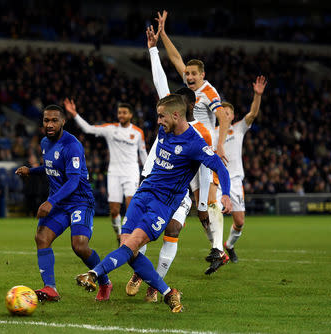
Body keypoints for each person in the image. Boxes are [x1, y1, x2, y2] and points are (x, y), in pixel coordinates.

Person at [76, 95, 232, 312]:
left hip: (162, 204)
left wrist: (225, 195)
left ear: (176, 115)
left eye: (161, 116)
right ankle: (169, 292)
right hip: (143, 194)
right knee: (127, 249)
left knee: (133, 244)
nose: (157, 121)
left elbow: (220, 167)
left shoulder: (195, 143)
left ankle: (93, 274)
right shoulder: (164, 130)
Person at [125, 24, 215, 303]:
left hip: (178, 192)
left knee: (172, 231)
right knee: (141, 236)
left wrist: (202, 204)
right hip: (152, 181)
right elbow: (160, 81)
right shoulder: (170, 121)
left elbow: (204, 168)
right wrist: (153, 49)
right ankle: (142, 273)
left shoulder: (201, 132)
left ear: (186, 107)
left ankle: (155, 285)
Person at [156, 10, 231, 274]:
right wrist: (163, 33)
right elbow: (175, 58)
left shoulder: (209, 91)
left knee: (210, 201)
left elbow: (223, 116)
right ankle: (218, 249)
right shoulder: (189, 91)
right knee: (202, 213)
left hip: (204, 149)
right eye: (186, 73)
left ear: (202, 74)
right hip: (189, 150)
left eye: (193, 74)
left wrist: (220, 145)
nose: (188, 77)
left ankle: (218, 250)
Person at [15, 104, 112, 302]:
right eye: (46, 120)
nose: (49, 124)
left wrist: (50, 201)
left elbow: (74, 180)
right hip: (60, 203)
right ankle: (50, 288)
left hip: (79, 201)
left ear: (63, 122)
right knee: (42, 238)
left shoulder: (72, 145)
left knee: (80, 246)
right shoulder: (44, 142)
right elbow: (51, 166)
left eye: (54, 120)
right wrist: (31, 171)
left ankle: (104, 281)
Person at [64, 99, 148, 244]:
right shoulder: (110, 129)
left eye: (124, 113)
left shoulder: (138, 132)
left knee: (131, 207)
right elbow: (88, 129)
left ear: (130, 115)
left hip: (131, 172)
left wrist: (147, 174)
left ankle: (128, 238)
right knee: (114, 211)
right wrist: (74, 114)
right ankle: (119, 234)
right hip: (114, 173)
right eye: (119, 112)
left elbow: (143, 154)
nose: (121, 115)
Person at [214, 76, 267, 263]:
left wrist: (257, 95)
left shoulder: (238, 129)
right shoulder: (211, 133)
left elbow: (252, 113)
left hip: (235, 181)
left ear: (233, 116)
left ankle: (229, 245)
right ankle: (218, 252)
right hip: (217, 181)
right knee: (215, 215)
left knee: (239, 222)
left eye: (228, 112)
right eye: (222, 112)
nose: (225, 115)